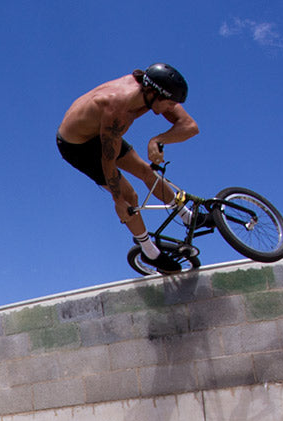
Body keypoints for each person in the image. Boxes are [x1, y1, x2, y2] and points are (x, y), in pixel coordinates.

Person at [57, 63, 198, 271]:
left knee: (145, 171)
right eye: (169, 104)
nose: (171, 109)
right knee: (129, 197)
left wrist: (158, 139)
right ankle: (149, 251)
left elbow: (190, 127)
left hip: (99, 132)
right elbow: (108, 161)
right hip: (77, 146)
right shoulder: (118, 109)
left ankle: (187, 217)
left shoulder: (153, 90)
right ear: (153, 93)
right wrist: (118, 201)